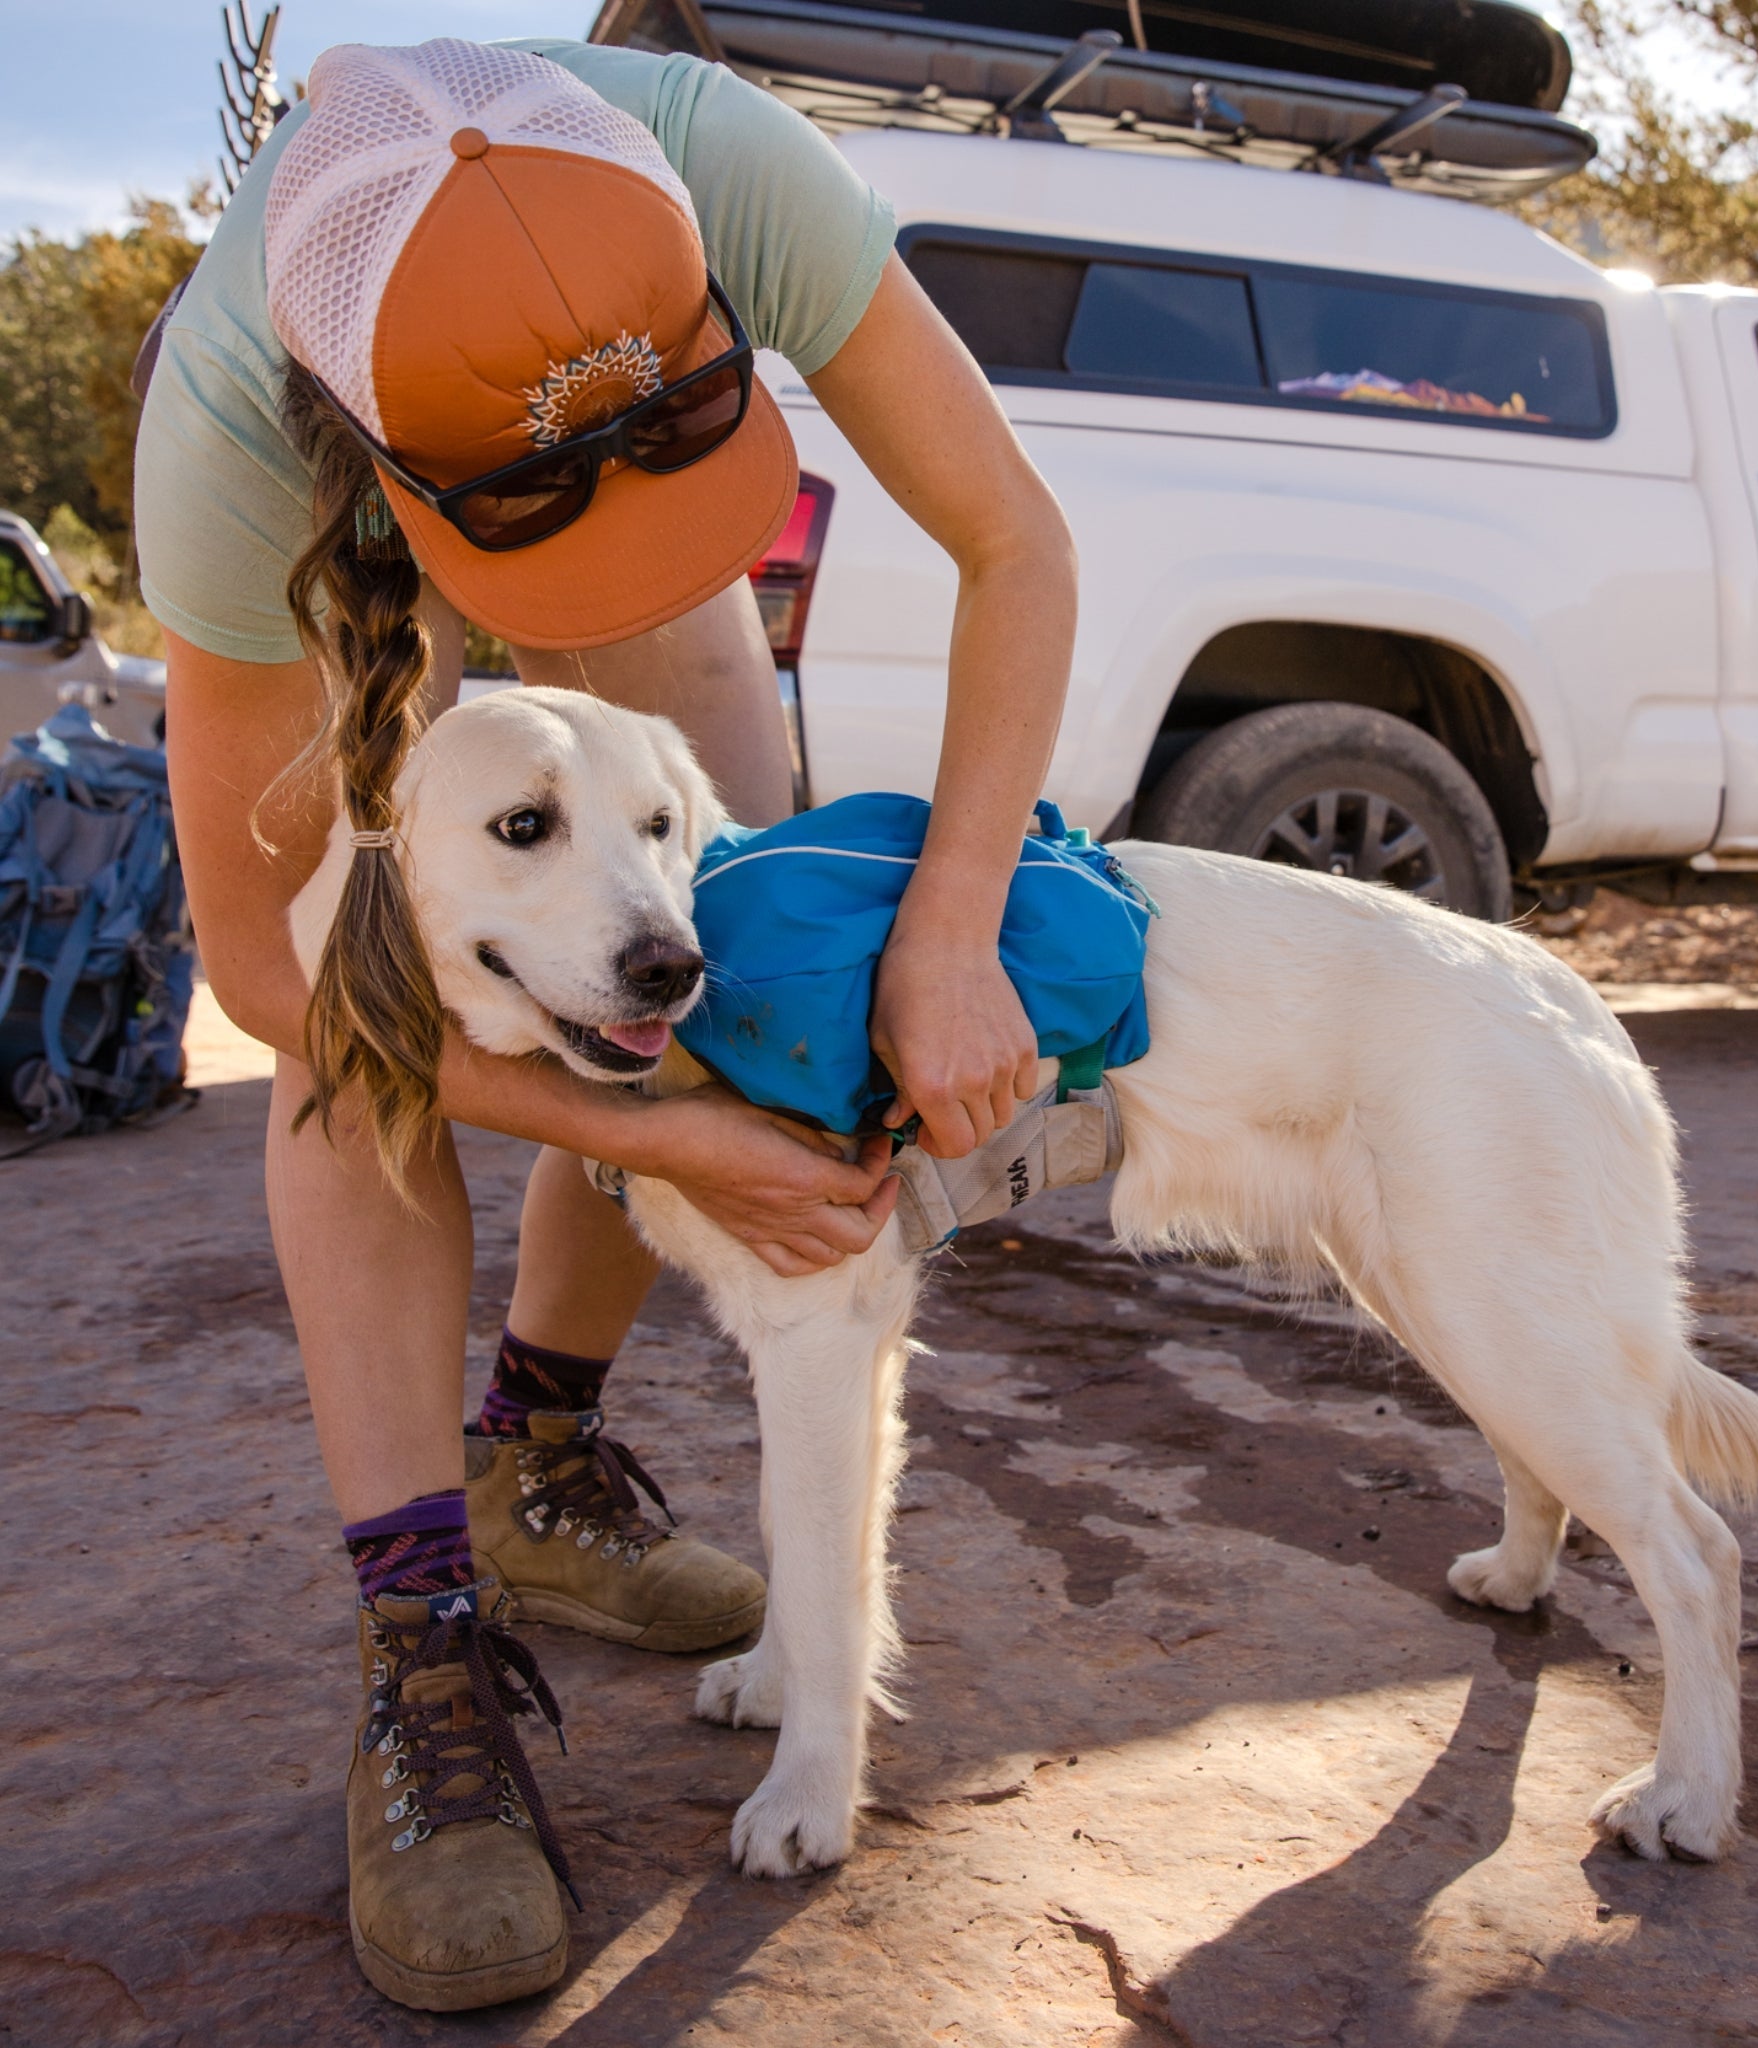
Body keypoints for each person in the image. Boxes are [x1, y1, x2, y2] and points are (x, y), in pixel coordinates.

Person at [133, 37, 1076, 2012]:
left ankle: (536, 1461)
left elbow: (1016, 538)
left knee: (714, 949)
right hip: (345, 546)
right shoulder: (231, 427)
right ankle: (421, 1637)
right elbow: (267, 978)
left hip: (554, 384)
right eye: (569, 512)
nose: (624, 559)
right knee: (362, 1013)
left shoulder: (731, 158)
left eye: (689, 433)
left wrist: (951, 928)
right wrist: (653, 1139)